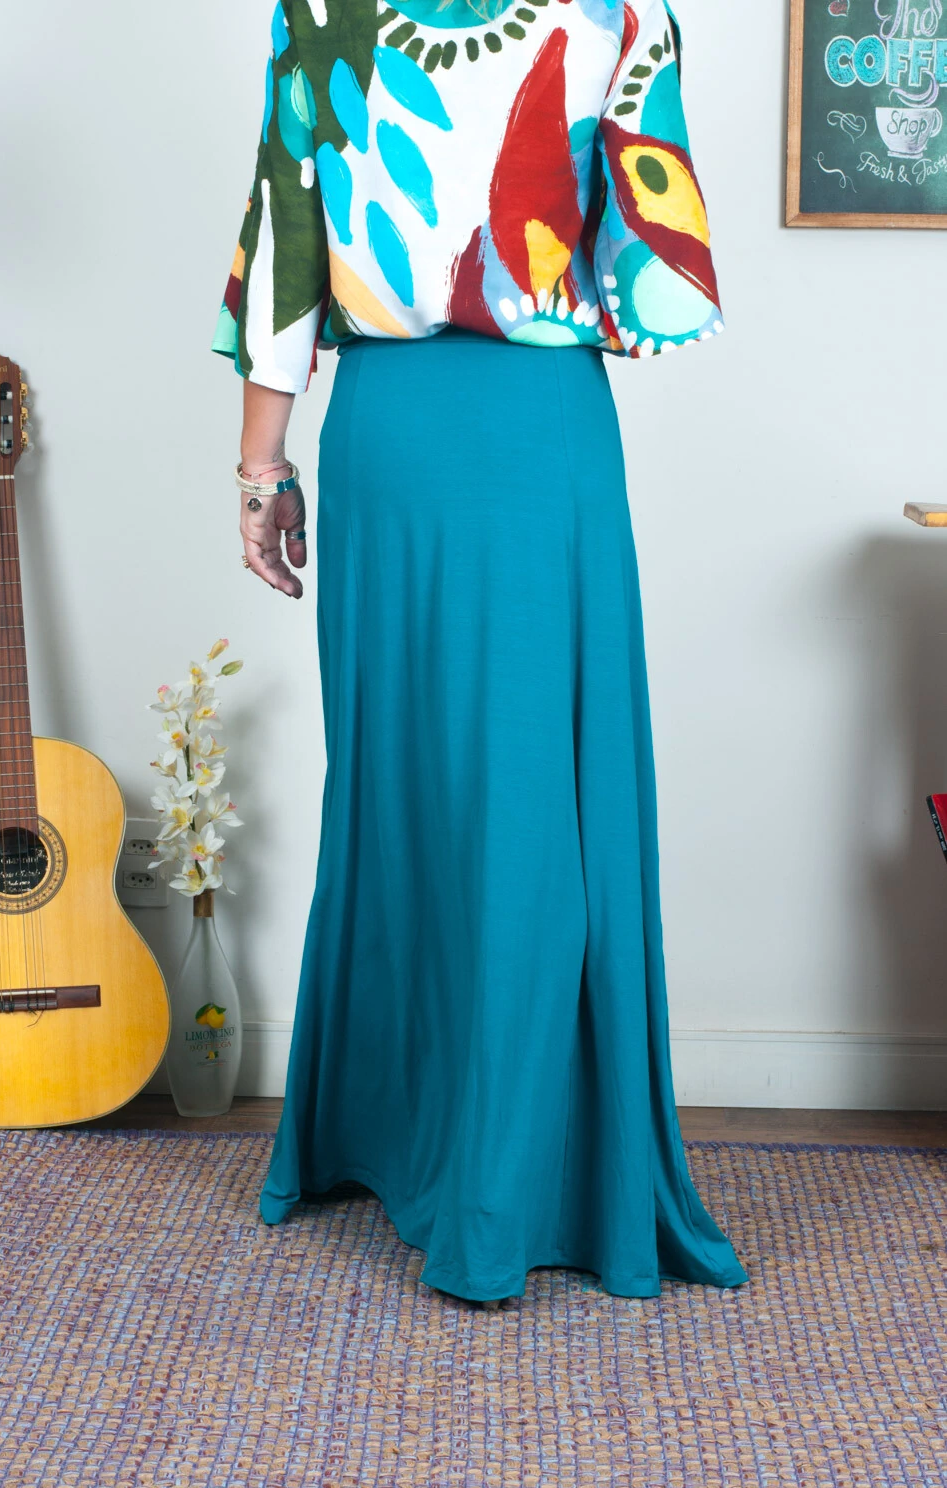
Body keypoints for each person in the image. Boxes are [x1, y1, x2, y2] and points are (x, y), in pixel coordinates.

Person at [214, 0, 747, 1305]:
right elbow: (649, 276)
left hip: (389, 431)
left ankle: (412, 1145)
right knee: (535, 802)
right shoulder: (620, 11)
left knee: (406, 796)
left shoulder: (323, 9)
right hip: (538, 428)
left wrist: (260, 469)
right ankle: (527, 1175)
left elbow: (288, 237)